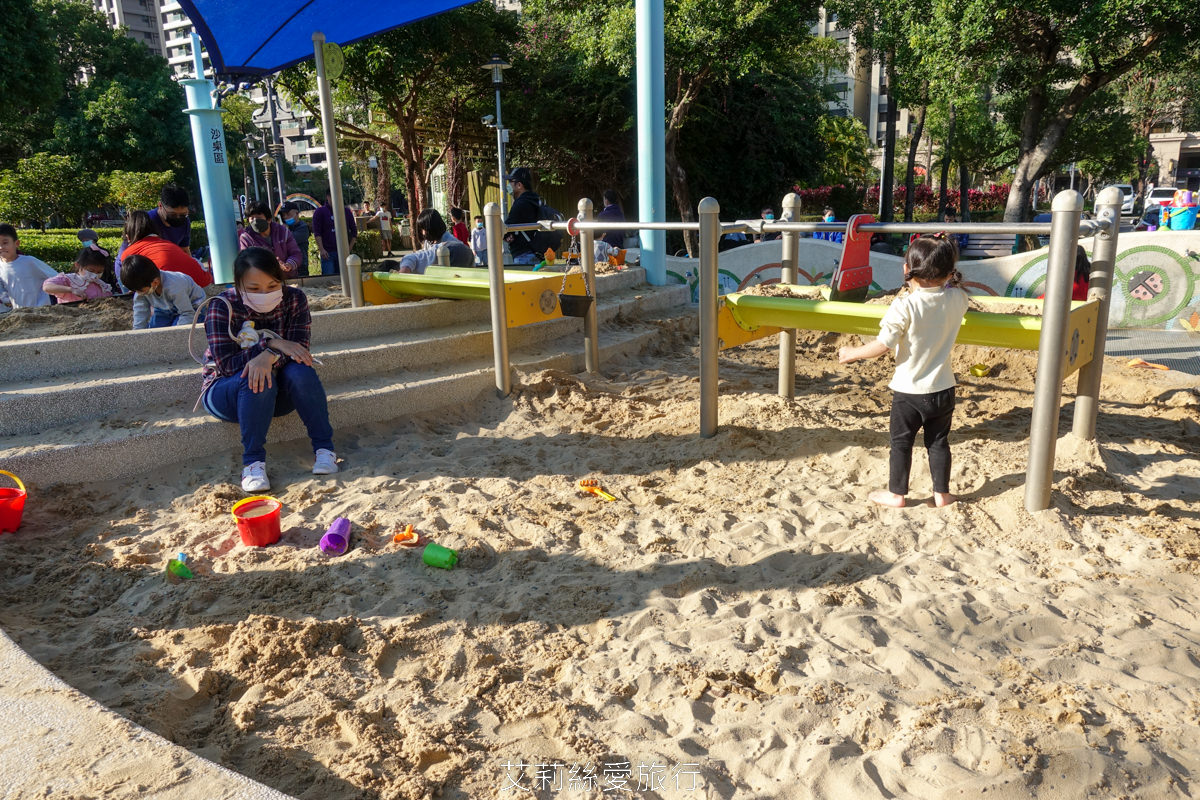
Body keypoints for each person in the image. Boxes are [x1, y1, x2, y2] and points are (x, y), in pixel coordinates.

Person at [837, 234, 969, 509]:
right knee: (938, 443)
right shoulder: (958, 299)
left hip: (909, 391)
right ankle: (942, 493)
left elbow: (883, 344)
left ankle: (897, 493)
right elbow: (949, 292)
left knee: (901, 443)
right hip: (943, 388)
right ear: (948, 272)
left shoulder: (904, 306)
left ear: (907, 270)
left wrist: (852, 354)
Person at [199, 246, 337, 492]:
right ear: (238, 284)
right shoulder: (221, 306)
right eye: (253, 288)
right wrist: (272, 344)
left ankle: (324, 449)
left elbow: (299, 353)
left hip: (277, 395)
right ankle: (253, 463)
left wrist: (268, 356)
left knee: (301, 371)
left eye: (272, 286)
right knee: (256, 375)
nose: (264, 293)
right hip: (225, 391)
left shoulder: (295, 299)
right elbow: (226, 365)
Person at [123, 210, 213, 289]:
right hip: (204, 284)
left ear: (128, 237)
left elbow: (132, 279)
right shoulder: (166, 243)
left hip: (177, 290)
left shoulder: (129, 253)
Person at [115, 184, 192, 276]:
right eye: (172, 215)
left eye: (183, 214)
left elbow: (184, 250)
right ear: (160, 205)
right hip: (131, 270)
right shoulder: (146, 222)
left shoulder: (185, 222)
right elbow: (133, 256)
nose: (178, 218)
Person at [122, 254, 206, 329]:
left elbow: (187, 313)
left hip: (193, 306)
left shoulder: (174, 287)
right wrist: (137, 334)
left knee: (175, 332)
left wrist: (175, 333)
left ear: (155, 282)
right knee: (154, 331)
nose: (138, 293)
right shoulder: (142, 287)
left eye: (140, 290)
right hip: (165, 309)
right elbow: (140, 313)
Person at [395, 208, 475, 273]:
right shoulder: (429, 241)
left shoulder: (451, 244)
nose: (423, 233)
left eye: (424, 229)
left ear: (433, 228)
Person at [239, 201, 302, 278]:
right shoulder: (246, 238)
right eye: (252, 218)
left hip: (288, 278)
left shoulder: (283, 232)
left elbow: (296, 254)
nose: (255, 222)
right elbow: (246, 262)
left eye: (259, 218)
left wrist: (289, 265)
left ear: (268, 219)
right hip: (263, 281)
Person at [0, 223, 57, 310]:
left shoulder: (29, 262)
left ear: (17, 243)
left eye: (5, 243)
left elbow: (57, 277)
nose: (1, 247)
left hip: (41, 310)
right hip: (20, 313)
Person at [42, 244, 114, 303]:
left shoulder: (101, 285)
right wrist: (71, 290)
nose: (94, 275)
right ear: (78, 265)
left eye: (99, 272)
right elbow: (47, 287)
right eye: (91, 271)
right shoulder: (69, 280)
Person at [503, 167, 544, 266]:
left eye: (511, 181)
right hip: (537, 252)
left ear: (519, 185)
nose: (508, 185)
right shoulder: (535, 200)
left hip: (523, 255)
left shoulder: (520, 203)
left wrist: (507, 235)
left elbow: (506, 228)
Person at [311, 191, 358, 276]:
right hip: (328, 253)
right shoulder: (320, 212)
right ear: (328, 197)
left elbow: (354, 232)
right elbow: (317, 232)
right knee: (329, 280)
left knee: (344, 278)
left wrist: (348, 249)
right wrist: (321, 249)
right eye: (332, 196)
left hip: (343, 253)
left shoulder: (346, 212)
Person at [280, 202, 311, 275]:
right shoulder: (283, 228)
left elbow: (290, 239)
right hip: (286, 265)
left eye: (288, 214)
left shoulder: (303, 227)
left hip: (301, 265)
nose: (285, 217)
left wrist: (285, 231)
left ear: (296, 213)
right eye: (283, 215)